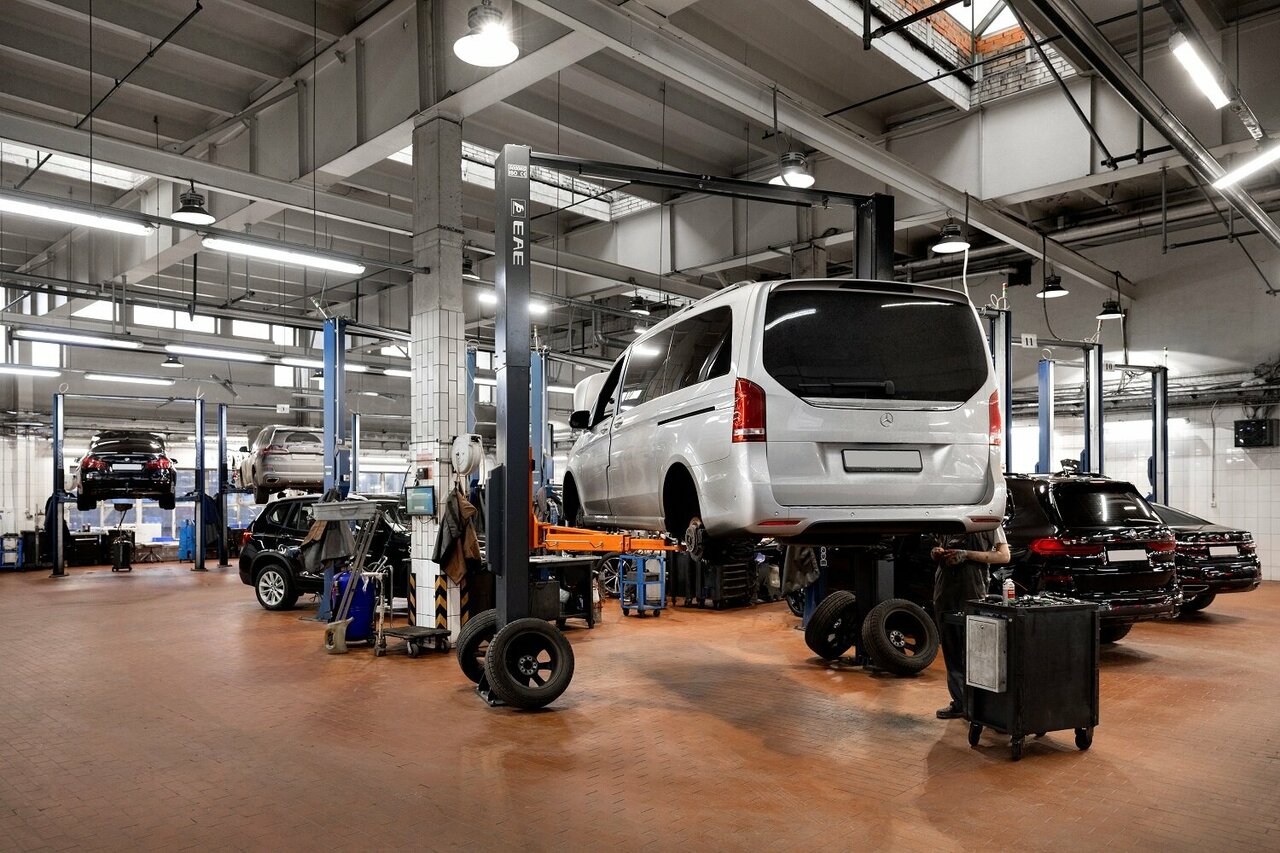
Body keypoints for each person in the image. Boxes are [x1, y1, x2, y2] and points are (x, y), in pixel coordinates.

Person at [931, 527, 1011, 720]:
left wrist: (967, 555)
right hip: (945, 590)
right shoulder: (949, 520)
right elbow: (939, 545)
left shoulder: (988, 522)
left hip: (972, 588)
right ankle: (961, 703)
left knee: (977, 650)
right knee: (951, 648)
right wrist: (936, 552)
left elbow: (1004, 556)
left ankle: (982, 705)